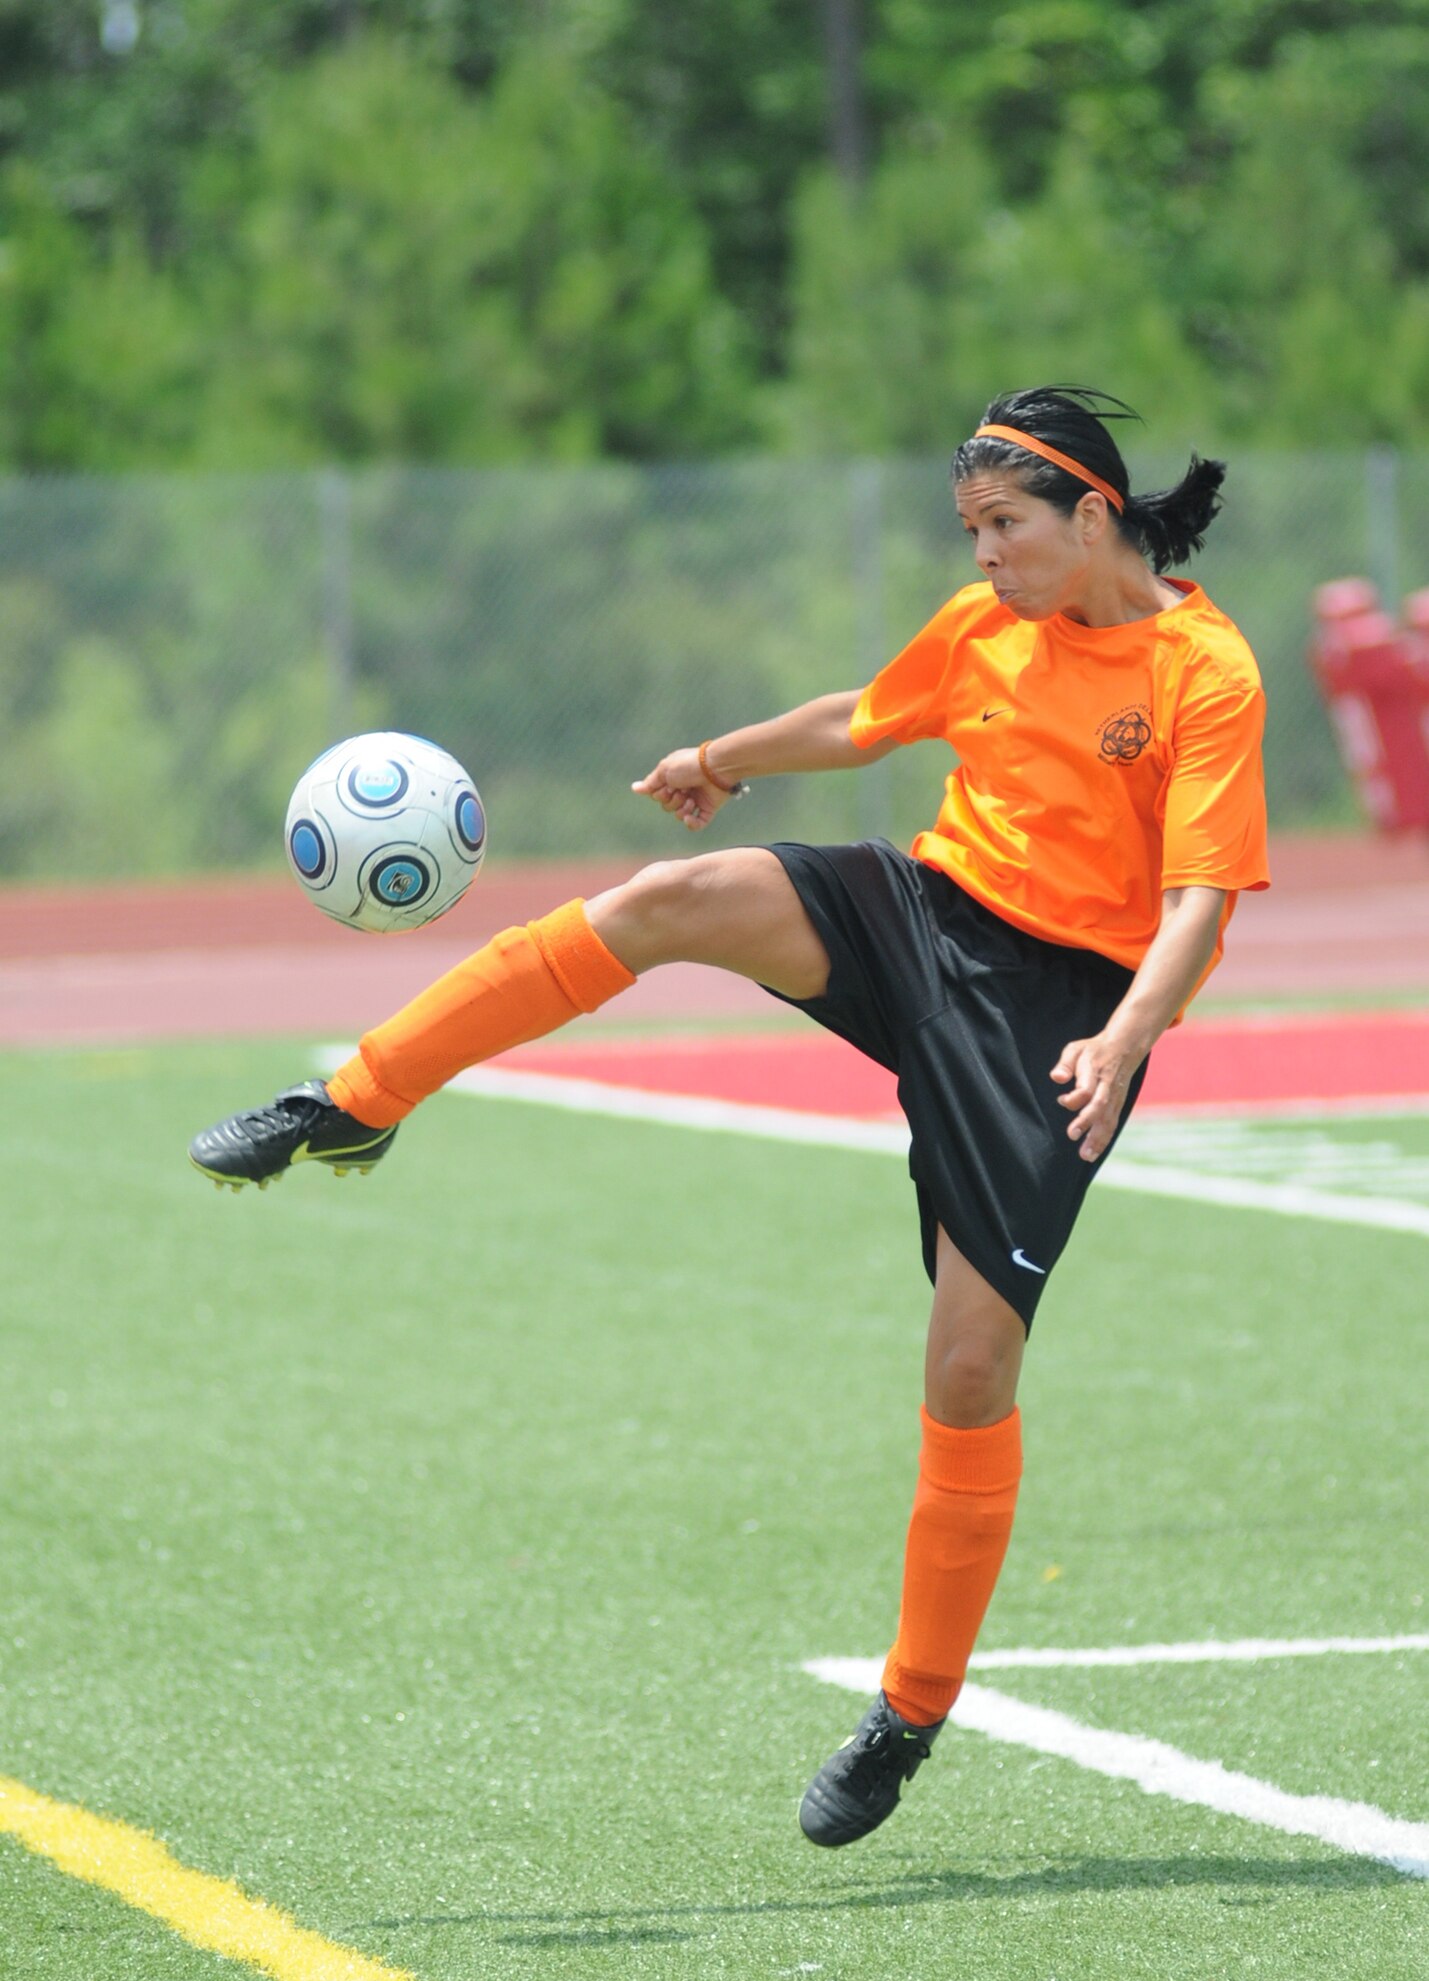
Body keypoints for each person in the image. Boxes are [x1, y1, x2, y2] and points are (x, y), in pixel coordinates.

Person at [190, 386, 1269, 1847]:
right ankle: (354, 1097)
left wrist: (1126, 1035)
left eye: (1004, 527)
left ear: (1093, 515)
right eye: (970, 531)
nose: (984, 557)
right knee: (670, 899)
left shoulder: (1207, 672)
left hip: (1064, 1013)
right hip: (927, 913)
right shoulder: (984, 630)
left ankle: (909, 1709)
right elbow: (865, 717)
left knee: (965, 1371)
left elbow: (1200, 897)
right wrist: (723, 756)